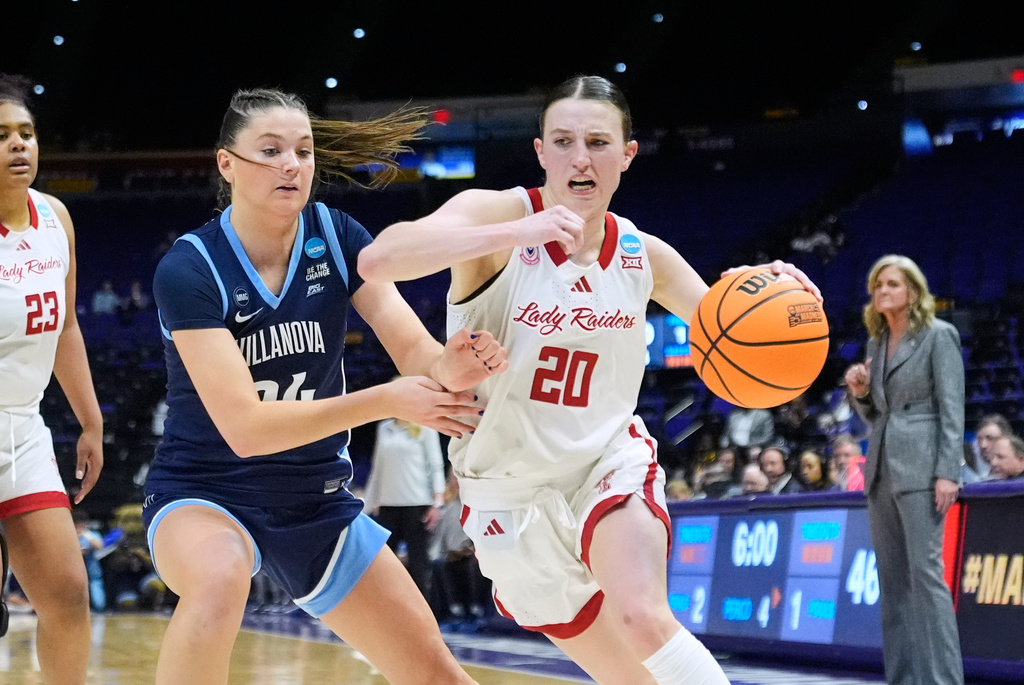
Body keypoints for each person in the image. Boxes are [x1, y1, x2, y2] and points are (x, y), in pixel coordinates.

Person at [359, 74, 821, 685]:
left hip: (605, 460)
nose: (581, 157)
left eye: (599, 142)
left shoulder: (642, 254)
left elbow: (729, 330)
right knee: (629, 678)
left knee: (643, 617)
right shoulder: (498, 217)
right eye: (565, 140)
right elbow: (379, 259)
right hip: (506, 489)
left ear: (627, 155)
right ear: (541, 152)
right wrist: (515, 233)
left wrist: (775, 291)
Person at [142, 87, 507, 685]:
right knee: (221, 576)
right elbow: (246, 428)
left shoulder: (337, 237)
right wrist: (387, 397)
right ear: (226, 163)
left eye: (304, 151)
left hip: (315, 498)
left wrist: (452, 364)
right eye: (271, 150)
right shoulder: (189, 268)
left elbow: (414, 350)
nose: (292, 164)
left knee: (436, 672)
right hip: (204, 492)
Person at [0, 73, 104, 685]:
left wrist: (91, 420)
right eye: (2, 136)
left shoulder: (55, 217)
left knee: (66, 595)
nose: (19, 146)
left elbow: (64, 326)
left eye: (27, 133)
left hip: (24, 430)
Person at [845, 253, 964, 685]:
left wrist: (948, 470)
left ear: (913, 291)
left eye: (892, 284)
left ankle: (944, 679)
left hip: (923, 467)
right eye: (878, 285)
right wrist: (859, 393)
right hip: (881, 468)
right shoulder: (876, 344)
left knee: (926, 577)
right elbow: (879, 415)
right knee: (893, 584)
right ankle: (903, 678)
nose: (883, 292)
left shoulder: (939, 335)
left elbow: (952, 408)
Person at [362, 413, 447, 598]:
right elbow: (378, 467)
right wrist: (369, 503)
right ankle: (383, 609)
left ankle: (423, 613)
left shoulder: (425, 426)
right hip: (387, 505)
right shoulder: (384, 427)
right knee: (382, 562)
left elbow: (436, 465)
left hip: (417, 504)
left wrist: (437, 503)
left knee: (418, 563)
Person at [73, 509, 107, 613]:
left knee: (98, 603)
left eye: (81, 525)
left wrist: (87, 536)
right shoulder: (69, 535)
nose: (79, 527)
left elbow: (99, 545)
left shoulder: (91, 534)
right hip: (75, 570)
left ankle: (98, 609)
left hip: (92, 569)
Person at [972, 413, 1011, 480]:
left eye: (990, 438)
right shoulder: (976, 478)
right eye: (979, 440)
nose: (983, 445)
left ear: (1006, 439)